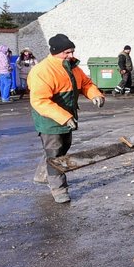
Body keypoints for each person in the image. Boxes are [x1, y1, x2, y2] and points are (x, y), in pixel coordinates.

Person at [28, 33, 105, 204]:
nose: (71, 56)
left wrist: (94, 94)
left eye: (72, 51)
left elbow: (86, 83)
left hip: (67, 116)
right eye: (67, 53)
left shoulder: (72, 67)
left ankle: (42, 174)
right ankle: (59, 189)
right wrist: (64, 117)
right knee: (56, 155)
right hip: (49, 119)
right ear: (55, 52)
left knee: (62, 147)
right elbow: (39, 101)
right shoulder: (42, 71)